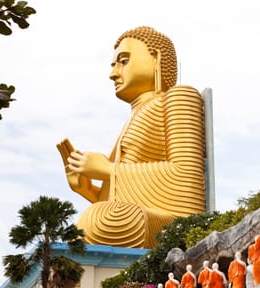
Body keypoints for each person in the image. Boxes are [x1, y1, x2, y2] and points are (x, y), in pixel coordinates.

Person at [56, 26, 205, 249]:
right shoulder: (136, 115)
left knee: (103, 218)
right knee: (95, 219)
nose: (113, 73)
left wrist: (108, 170)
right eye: (114, 64)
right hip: (134, 214)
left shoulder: (178, 98)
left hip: (173, 224)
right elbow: (128, 193)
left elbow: (187, 176)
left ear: (156, 58)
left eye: (123, 61)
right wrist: (87, 189)